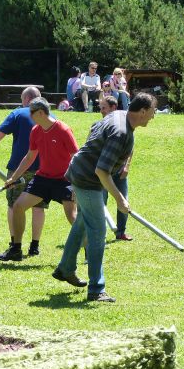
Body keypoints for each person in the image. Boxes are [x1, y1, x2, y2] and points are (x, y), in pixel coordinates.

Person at [53, 93, 157, 303]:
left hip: (79, 172)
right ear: (143, 111)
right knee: (97, 233)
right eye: (153, 112)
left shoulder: (118, 115)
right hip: (87, 180)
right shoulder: (121, 133)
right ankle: (96, 289)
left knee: (82, 222)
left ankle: (65, 268)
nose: (153, 116)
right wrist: (120, 199)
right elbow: (102, 171)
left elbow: (94, 129)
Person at [0, 97, 79, 261]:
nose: (30, 116)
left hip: (64, 180)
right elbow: (29, 157)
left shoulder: (63, 130)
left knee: (72, 216)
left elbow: (76, 157)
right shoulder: (36, 130)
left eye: (32, 113)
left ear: (41, 113)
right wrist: (14, 178)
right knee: (18, 206)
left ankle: (90, 250)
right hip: (42, 178)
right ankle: (16, 249)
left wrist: (77, 183)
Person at [0, 86, 47, 256]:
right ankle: (35, 246)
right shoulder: (48, 116)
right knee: (39, 207)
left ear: (26, 99)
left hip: (18, 169)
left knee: (14, 206)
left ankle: (15, 245)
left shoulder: (18, 113)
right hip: (43, 169)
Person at [99, 95, 133, 240]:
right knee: (101, 202)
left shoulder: (123, 125)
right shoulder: (100, 125)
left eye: (104, 108)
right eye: (100, 108)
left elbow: (130, 148)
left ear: (113, 107)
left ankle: (121, 232)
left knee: (123, 199)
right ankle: (100, 233)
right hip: (103, 171)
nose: (101, 111)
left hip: (119, 171)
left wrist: (126, 166)